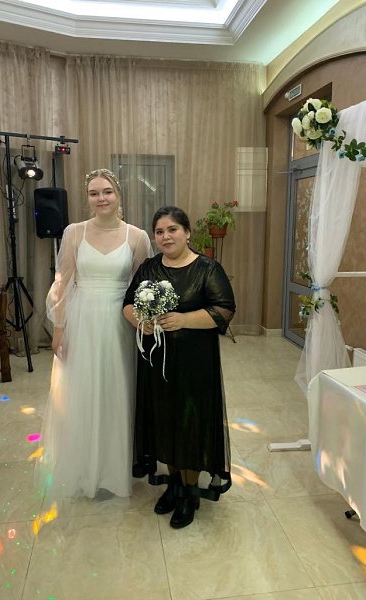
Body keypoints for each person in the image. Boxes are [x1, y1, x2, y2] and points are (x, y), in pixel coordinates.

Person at [38, 168, 152, 501]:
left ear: (118, 195)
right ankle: (87, 468)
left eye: (107, 192)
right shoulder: (74, 232)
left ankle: (115, 468)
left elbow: (142, 286)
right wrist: (59, 329)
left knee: (117, 390)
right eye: (93, 193)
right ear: (87, 198)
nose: (101, 198)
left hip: (120, 323)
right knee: (84, 393)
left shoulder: (137, 237)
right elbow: (63, 283)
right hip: (83, 320)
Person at [123, 206, 235, 528]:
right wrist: (140, 321)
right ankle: (173, 485)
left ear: (187, 233)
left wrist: (184, 320)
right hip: (156, 362)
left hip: (195, 364)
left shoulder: (207, 268)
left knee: (190, 424)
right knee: (164, 422)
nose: (166, 237)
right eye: (159, 232)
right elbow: (128, 304)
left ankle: (189, 492)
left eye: (172, 229)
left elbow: (224, 309)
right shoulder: (149, 268)